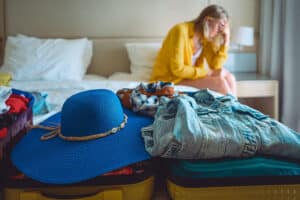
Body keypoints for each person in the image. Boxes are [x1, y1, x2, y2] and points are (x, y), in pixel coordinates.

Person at [150, 4, 237, 96]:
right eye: (219, 26)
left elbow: (215, 65)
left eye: (223, 28)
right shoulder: (180, 30)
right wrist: (205, 72)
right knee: (219, 83)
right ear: (208, 21)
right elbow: (177, 70)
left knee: (229, 77)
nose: (221, 31)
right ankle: (234, 109)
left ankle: (237, 108)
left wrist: (226, 40)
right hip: (170, 79)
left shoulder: (206, 38)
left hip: (187, 78)